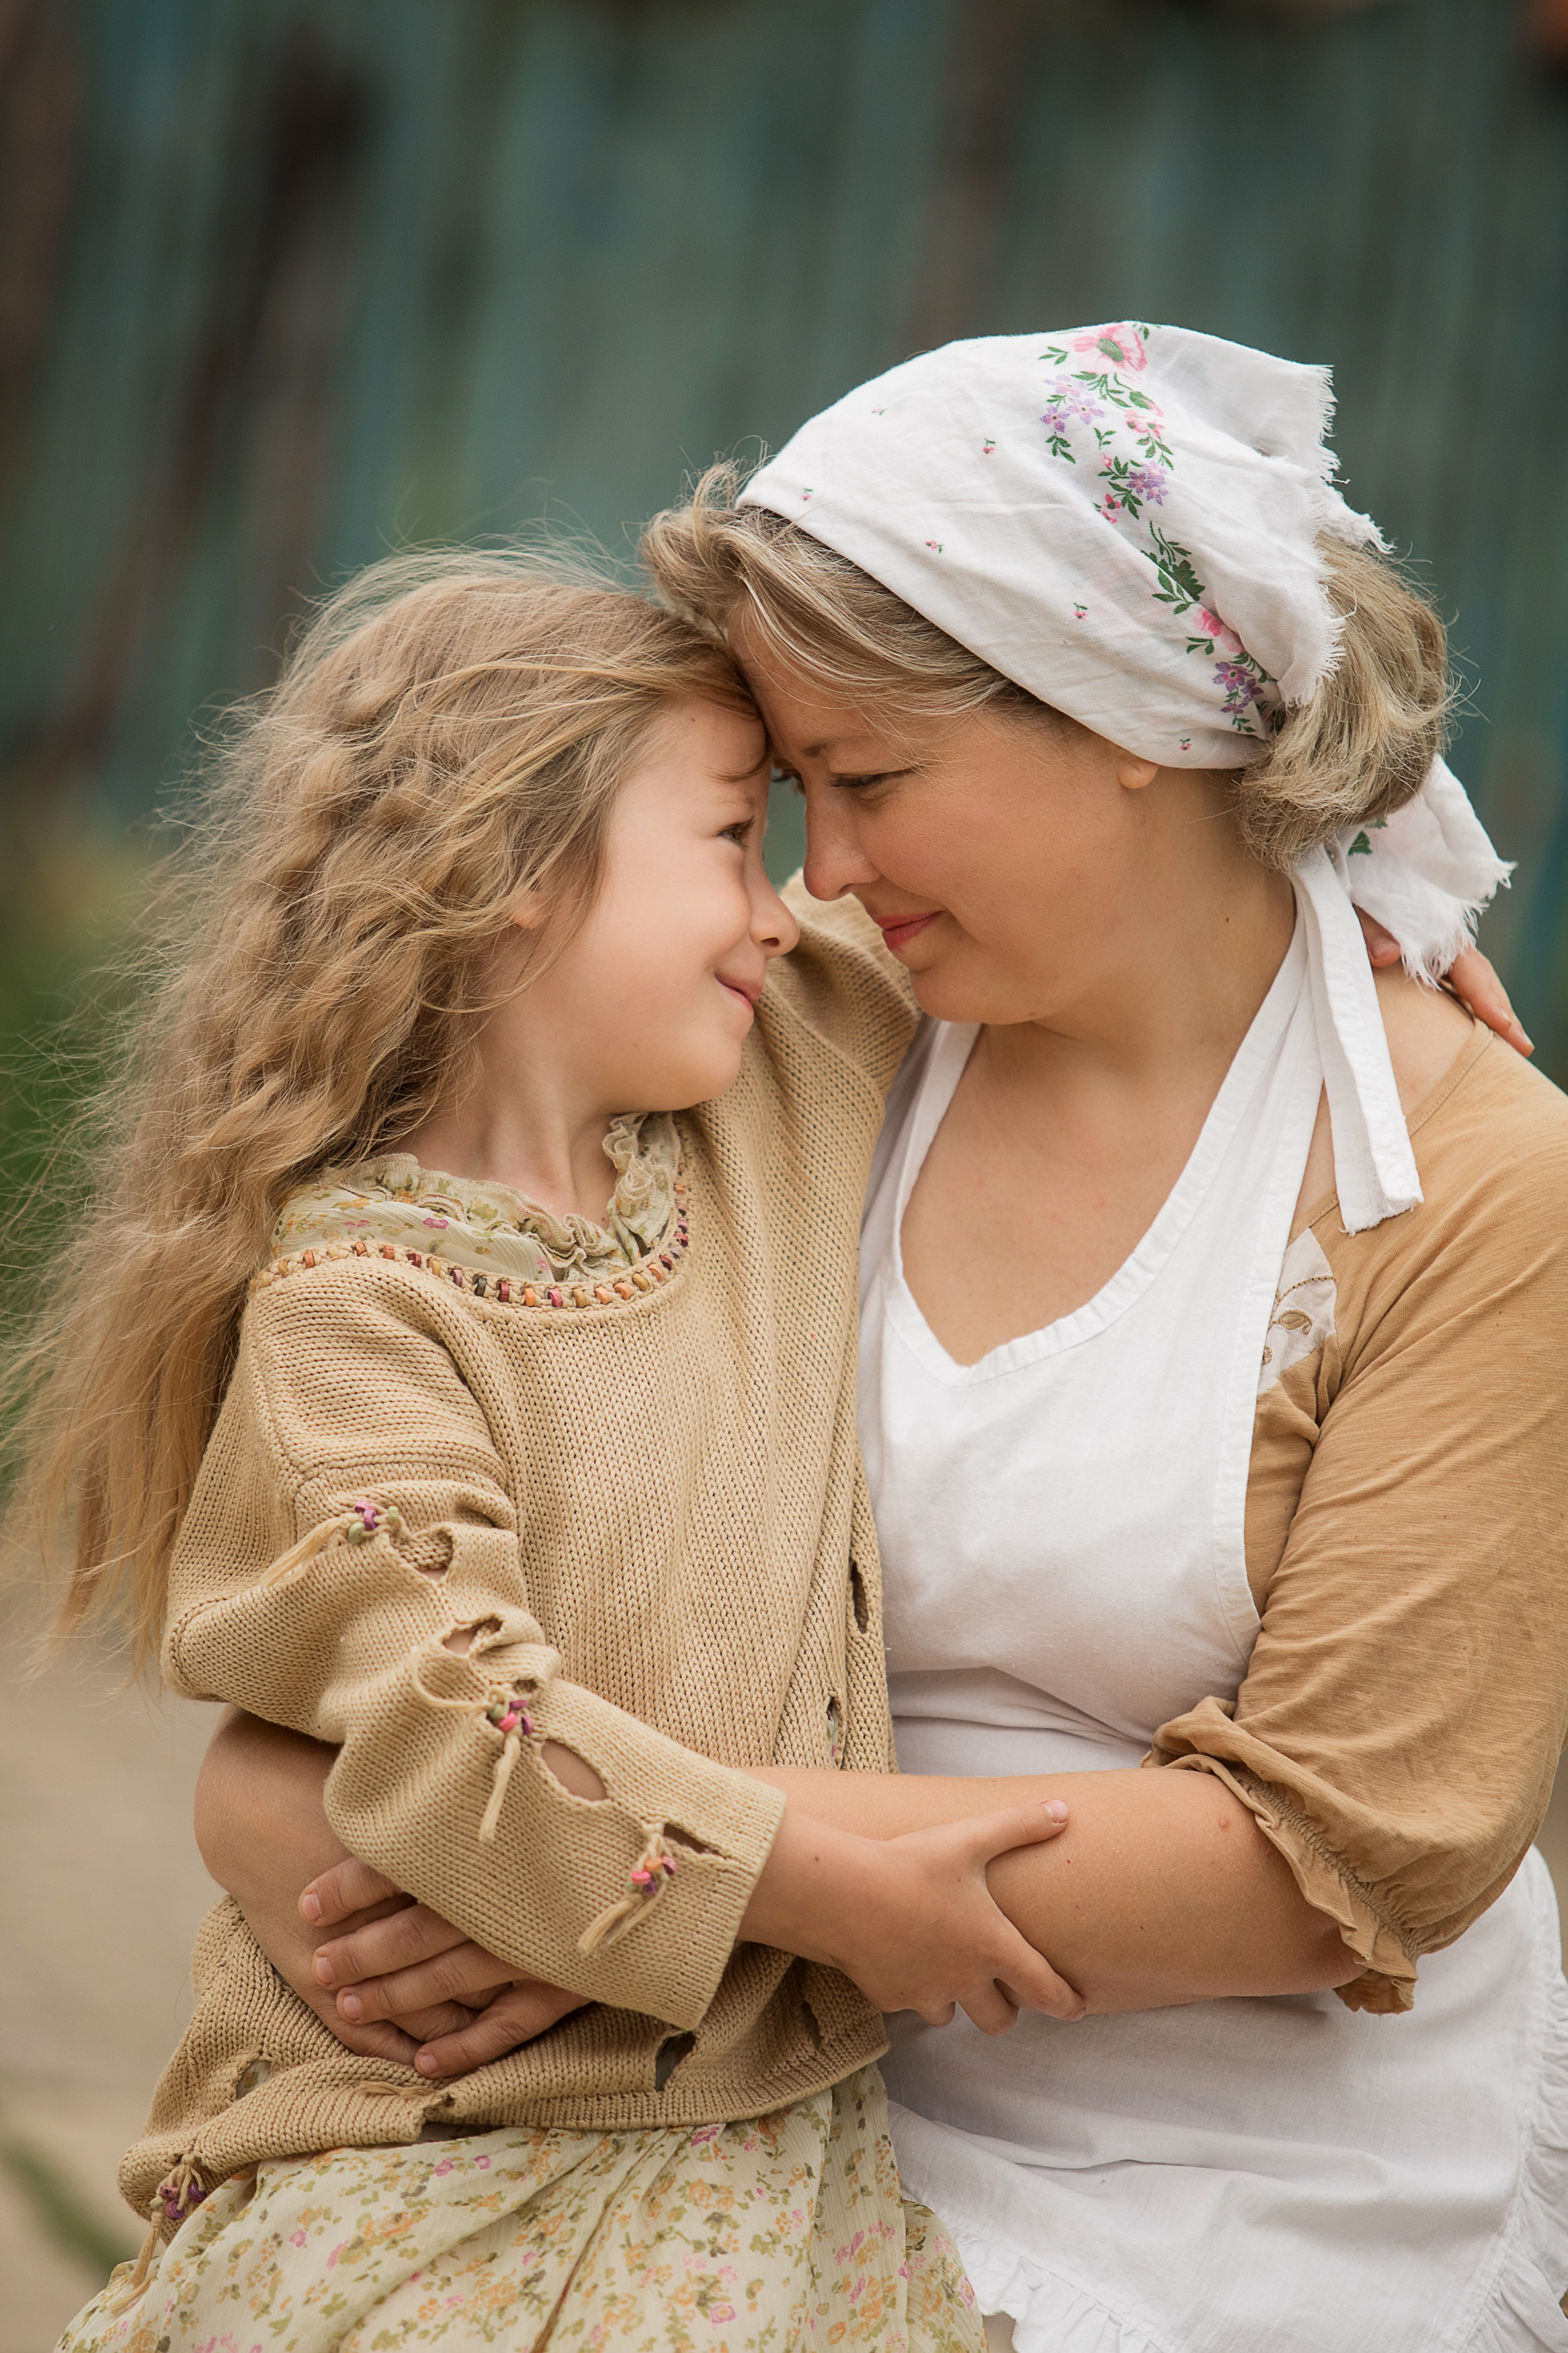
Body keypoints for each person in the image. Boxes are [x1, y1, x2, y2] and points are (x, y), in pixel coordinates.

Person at [212, 326, 1568, 2353]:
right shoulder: (790, 1048)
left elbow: (1320, 1868)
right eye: (786, 799)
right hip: (724, 2112)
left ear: (1125, 711)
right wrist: (525, 1859)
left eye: (868, 781)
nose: (819, 874)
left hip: (1245, 2186)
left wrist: (643, 1878)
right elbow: (313, 1676)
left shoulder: (1468, 1184)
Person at [25, 549, 1100, 2353]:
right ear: (513, 877)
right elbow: (454, 1723)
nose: (782, 907)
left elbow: (1085, 897)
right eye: (723, 841)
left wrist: (1372, 910)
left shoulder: (770, 1093)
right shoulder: (356, 1307)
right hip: (427, 2140)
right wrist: (830, 1891)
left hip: (741, 2140)